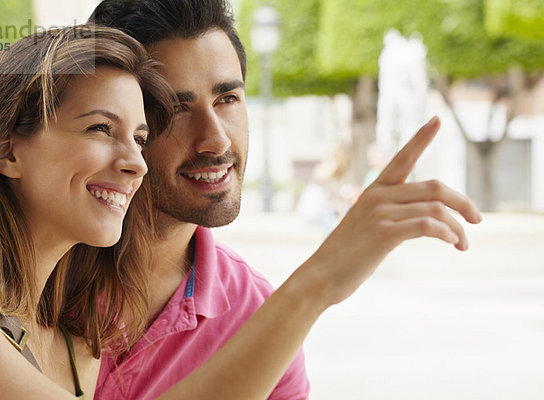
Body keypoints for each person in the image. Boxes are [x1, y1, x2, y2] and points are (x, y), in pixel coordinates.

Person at [89, 1, 482, 399]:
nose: (217, 139)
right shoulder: (40, 273)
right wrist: (314, 284)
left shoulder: (256, 312)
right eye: (176, 108)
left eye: (227, 99)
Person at [0, 25, 175, 399]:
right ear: (7, 152)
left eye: (140, 139)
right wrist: (303, 290)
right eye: (100, 128)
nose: (138, 164)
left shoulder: (80, 348)